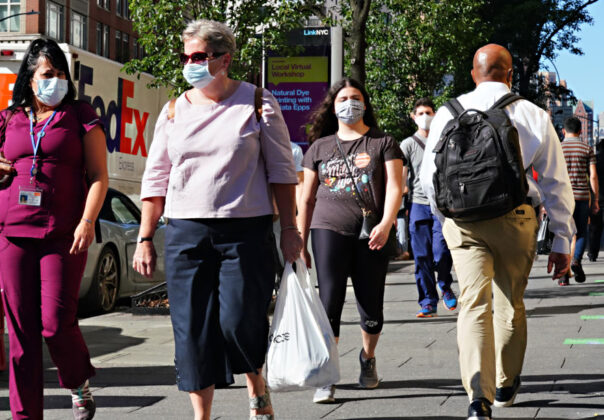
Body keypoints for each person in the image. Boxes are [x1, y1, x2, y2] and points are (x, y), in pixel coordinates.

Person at [132, 20, 302, 420]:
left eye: (198, 57)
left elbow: (281, 171)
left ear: (224, 60)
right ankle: (201, 415)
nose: (188, 65)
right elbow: (156, 176)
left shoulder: (258, 102)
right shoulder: (174, 110)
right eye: (185, 57)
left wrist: (291, 231)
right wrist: (144, 236)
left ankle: (256, 387)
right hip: (185, 231)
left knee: (239, 320)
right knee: (190, 329)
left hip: (245, 230)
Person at [420, 44, 574, 420]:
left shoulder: (447, 112)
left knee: (473, 304)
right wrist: (562, 238)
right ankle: (506, 383)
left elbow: (428, 178)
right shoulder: (531, 113)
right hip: (515, 218)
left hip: (463, 222)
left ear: (474, 74)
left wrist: (448, 221)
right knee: (510, 302)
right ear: (509, 75)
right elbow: (556, 182)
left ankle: (478, 398)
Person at [0, 38, 108, 420]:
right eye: (48, 74)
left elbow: (99, 175)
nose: (56, 81)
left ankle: (78, 380)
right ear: (30, 80)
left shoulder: (81, 115)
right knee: (21, 335)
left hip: (63, 233)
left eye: (61, 74)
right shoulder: (10, 118)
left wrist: (88, 220)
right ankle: (25, 416)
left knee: (55, 324)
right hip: (10, 231)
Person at [298, 78, 404, 404]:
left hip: (371, 233)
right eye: (342, 98)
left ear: (365, 103)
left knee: (371, 307)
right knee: (328, 303)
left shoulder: (383, 142)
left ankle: (368, 357)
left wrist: (386, 223)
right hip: (327, 229)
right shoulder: (319, 147)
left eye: (355, 97)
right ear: (333, 106)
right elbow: (307, 198)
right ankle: (326, 374)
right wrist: (300, 242)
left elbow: (397, 187)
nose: (349, 103)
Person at [400, 97, 456, 317]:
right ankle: (427, 301)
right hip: (418, 204)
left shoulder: (443, 139)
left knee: (442, 251)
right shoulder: (407, 144)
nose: (425, 117)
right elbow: (401, 176)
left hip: (441, 205)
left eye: (429, 112)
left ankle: (445, 284)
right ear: (414, 117)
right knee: (421, 256)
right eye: (421, 113)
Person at [560, 116, 599, 284]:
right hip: (582, 196)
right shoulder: (587, 148)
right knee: (581, 232)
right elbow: (593, 176)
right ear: (580, 131)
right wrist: (595, 199)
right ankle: (576, 260)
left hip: (562, 198)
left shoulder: (557, 148)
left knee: (562, 234)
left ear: (563, 131)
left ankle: (563, 274)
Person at [587, 139, 604, 261]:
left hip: (597, 196)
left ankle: (593, 253)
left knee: (595, 227)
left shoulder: (595, 160)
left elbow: (591, 177)